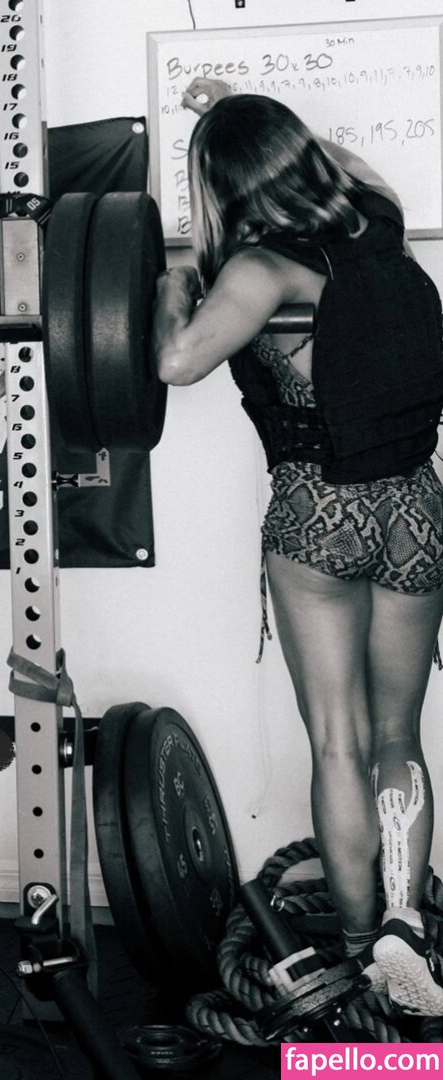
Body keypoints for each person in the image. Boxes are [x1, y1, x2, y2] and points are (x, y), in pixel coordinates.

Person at [151, 77, 443, 1015]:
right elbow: (341, 164)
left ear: (222, 185)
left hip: (321, 515)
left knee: (338, 741)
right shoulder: (378, 221)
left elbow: (176, 361)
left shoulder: (260, 269)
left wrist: (172, 288)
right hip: (414, 507)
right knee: (397, 735)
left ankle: (359, 953)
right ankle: (405, 926)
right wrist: (238, 104)